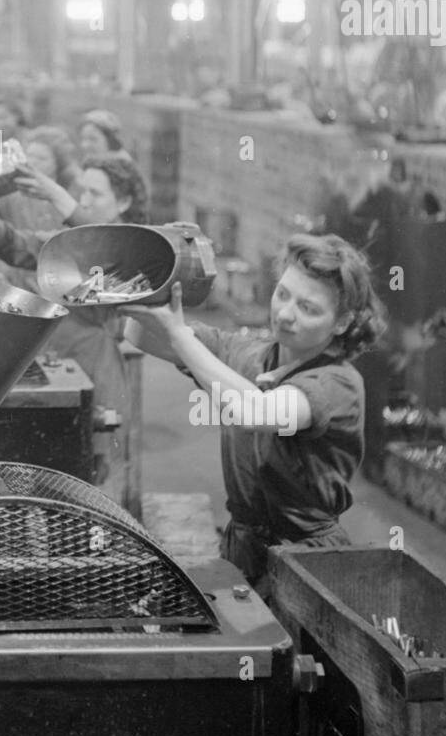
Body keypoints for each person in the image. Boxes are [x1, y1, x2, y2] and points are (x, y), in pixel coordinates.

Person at [124, 233, 386, 589]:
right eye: (283, 294)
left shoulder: (338, 384)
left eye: (308, 308)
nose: (286, 314)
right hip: (243, 548)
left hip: (307, 559)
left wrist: (180, 336)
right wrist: (149, 278)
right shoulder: (248, 353)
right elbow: (141, 338)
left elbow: (256, 413)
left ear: (341, 323)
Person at [0, 153, 150, 497]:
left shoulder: (132, 246)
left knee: (97, 486)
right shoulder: (68, 244)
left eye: (95, 194)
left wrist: (54, 192)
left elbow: (104, 245)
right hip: (57, 364)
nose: (84, 200)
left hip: (98, 374)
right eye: (81, 191)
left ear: (125, 201)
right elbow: (16, 245)